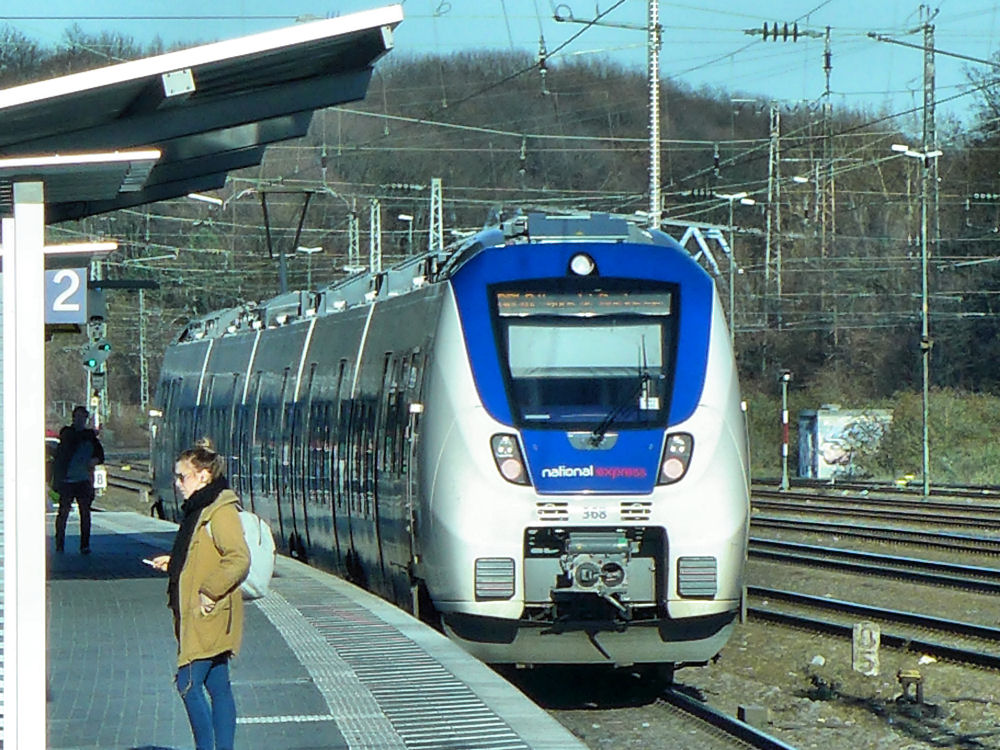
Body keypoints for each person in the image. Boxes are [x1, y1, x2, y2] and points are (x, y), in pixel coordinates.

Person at [149, 438, 250, 750]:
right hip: (201, 610)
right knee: (218, 684)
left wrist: (208, 592)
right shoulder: (200, 508)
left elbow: (238, 557)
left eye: (183, 476)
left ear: (204, 474)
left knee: (188, 683)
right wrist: (176, 562)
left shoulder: (219, 509)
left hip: (209, 610)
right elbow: (201, 552)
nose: (178, 484)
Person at [51, 405, 105, 554]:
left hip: (83, 480)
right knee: (63, 513)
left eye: (83, 418)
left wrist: (95, 460)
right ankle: (59, 543)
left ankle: (85, 545)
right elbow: (60, 459)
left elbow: (101, 456)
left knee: (85, 514)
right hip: (68, 481)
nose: (81, 420)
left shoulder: (91, 438)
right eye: (78, 417)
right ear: (73, 418)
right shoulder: (68, 434)